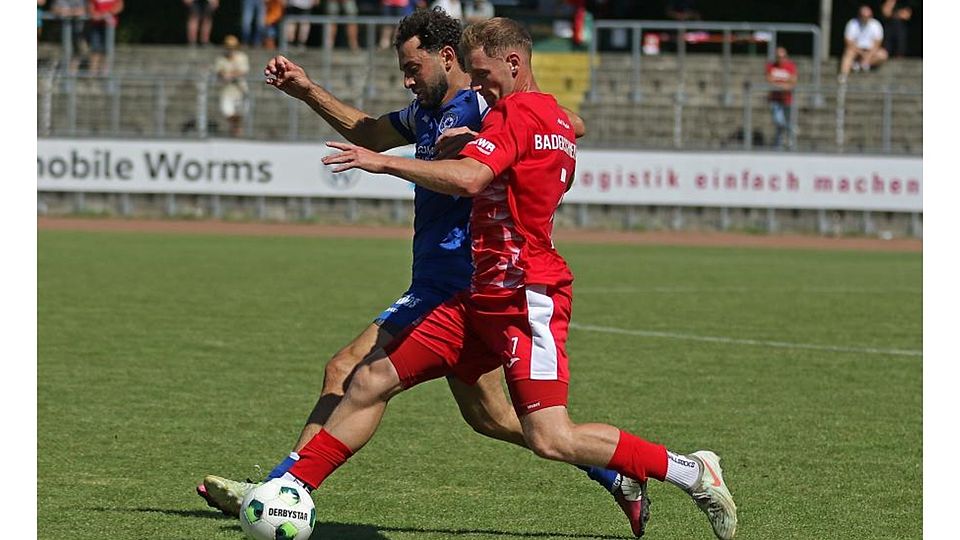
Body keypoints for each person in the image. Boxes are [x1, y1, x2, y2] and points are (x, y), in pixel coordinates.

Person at [198, 8, 653, 538]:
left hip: (463, 281)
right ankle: (616, 475)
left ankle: (280, 490)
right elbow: (368, 130)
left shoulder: (485, 103)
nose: (408, 79)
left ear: (447, 57)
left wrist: (475, 140)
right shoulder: (424, 111)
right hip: (437, 279)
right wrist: (306, 91)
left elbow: (567, 122)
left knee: (348, 369)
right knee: (493, 419)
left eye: (414, 68)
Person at [279, 16, 738, 540]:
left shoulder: (514, 114)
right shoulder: (529, 117)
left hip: (524, 293)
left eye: (482, 75)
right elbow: (553, 129)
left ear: (512, 64)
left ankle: (690, 471)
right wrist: (476, 138)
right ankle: (286, 490)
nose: (477, 88)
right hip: (477, 294)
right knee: (372, 378)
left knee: (549, 436)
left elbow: (474, 177)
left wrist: (384, 164)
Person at [839, 4, 888, 82]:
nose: (865, 18)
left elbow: (877, 43)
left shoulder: (876, 25)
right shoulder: (852, 23)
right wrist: (861, 53)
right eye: (863, 16)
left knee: (883, 55)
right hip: (856, 50)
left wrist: (868, 55)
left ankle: (860, 64)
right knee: (848, 53)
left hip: (871, 50)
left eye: (867, 16)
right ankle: (843, 75)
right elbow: (849, 42)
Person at [214, 35, 250, 137]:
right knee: (228, 112)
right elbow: (219, 71)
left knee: (240, 113)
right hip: (226, 90)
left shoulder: (242, 57)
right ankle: (234, 129)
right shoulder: (221, 59)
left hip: (240, 89)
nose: (230, 50)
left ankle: (236, 130)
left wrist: (230, 75)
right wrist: (226, 75)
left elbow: (243, 71)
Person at [765, 46, 797, 150]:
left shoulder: (790, 66)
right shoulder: (771, 66)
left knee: (787, 122)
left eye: (783, 56)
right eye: (778, 56)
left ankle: (783, 143)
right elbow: (769, 80)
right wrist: (784, 85)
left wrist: (779, 84)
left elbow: (793, 82)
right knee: (779, 121)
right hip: (775, 99)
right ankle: (782, 140)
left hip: (787, 99)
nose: (781, 59)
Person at [85, 0, 123, 76]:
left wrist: (105, 14)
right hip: (96, 24)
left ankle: (105, 71)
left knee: (107, 48)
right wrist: (95, 14)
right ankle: (92, 71)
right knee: (95, 48)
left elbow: (119, 6)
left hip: (109, 25)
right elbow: (90, 6)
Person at [52, 0, 88, 74]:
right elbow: (54, 9)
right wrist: (72, 12)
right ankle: (66, 73)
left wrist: (67, 12)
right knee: (66, 50)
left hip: (78, 32)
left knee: (78, 51)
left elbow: (83, 10)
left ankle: (71, 73)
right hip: (63, 31)